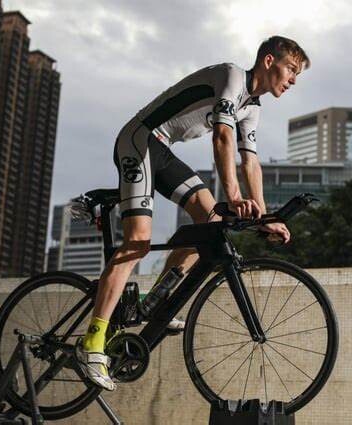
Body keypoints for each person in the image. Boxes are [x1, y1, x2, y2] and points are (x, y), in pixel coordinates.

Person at [76, 35, 310, 390]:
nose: (292, 80)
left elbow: (250, 162)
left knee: (210, 223)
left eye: (297, 75)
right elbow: (222, 138)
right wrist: (233, 196)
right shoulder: (232, 77)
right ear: (268, 61)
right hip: (139, 140)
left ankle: (156, 302)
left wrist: (265, 218)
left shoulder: (252, 108)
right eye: (290, 69)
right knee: (138, 242)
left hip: (163, 150)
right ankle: (92, 341)